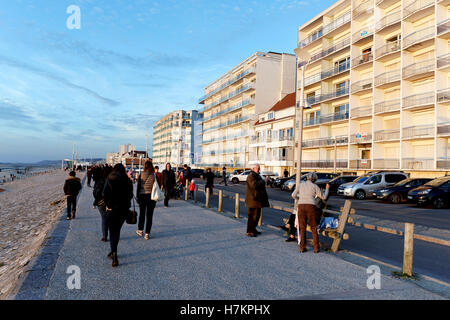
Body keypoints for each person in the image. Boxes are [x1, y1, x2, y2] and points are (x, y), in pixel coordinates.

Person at [103, 164, 134, 267]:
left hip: (112, 209)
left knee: (112, 232)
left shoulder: (110, 178)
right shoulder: (127, 180)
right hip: (123, 210)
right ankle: (113, 252)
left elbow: (104, 193)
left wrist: (108, 205)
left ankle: (114, 254)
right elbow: (130, 195)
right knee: (117, 231)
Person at [291, 172, 330, 253]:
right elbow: (324, 197)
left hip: (301, 206)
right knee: (313, 227)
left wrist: (300, 198)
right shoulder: (315, 186)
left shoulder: (301, 185)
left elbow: (293, 195)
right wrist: (327, 188)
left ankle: (302, 248)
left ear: (307, 178)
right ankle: (316, 248)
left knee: (302, 228)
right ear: (315, 179)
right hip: (311, 207)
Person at [244, 164, 269, 237]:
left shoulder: (256, 175)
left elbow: (259, 185)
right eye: (258, 168)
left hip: (257, 200)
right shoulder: (251, 176)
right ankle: (250, 231)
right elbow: (254, 186)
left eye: (259, 168)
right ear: (253, 168)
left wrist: (265, 181)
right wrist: (264, 181)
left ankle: (253, 229)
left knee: (257, 216)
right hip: (253, 200)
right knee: (252, 216)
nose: (259, 169)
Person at [136, 161, 157, 240]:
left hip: (142, 196)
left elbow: (138, 187)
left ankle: (140, 230)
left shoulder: (141, 174)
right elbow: (156, 186)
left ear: (145, 166)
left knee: (142, 214)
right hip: (151, 197)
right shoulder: (153, 175)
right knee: (149, 216)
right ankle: (147, 233)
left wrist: (137, 196)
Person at [93, 167, 109, 242]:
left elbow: (95, 193)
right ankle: (113, 234)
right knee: (111, 219)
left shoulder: (99, 181)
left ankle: (105, 236)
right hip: (111, 203)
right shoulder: (112, 181)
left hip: (101, 202)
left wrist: (96, 201)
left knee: (104, 218)